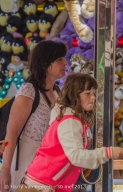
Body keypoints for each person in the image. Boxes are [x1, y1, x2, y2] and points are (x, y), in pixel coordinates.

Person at [19, 73, 123, 192]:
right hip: (41, 187)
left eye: (93, 93)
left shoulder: (70, 119)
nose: (93, 97)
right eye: (87, 93)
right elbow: (76, 156)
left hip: (43, 185)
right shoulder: (70, 121)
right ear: (74, 96)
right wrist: (108, 152)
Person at [0, 40, 68, 192]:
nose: (65, 62)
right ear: (44, 63)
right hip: (26, 166)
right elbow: (11, 133)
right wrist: (5, 170)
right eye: (59, 59)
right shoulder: (28, 91)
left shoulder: (58, 91)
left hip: (50, 168)